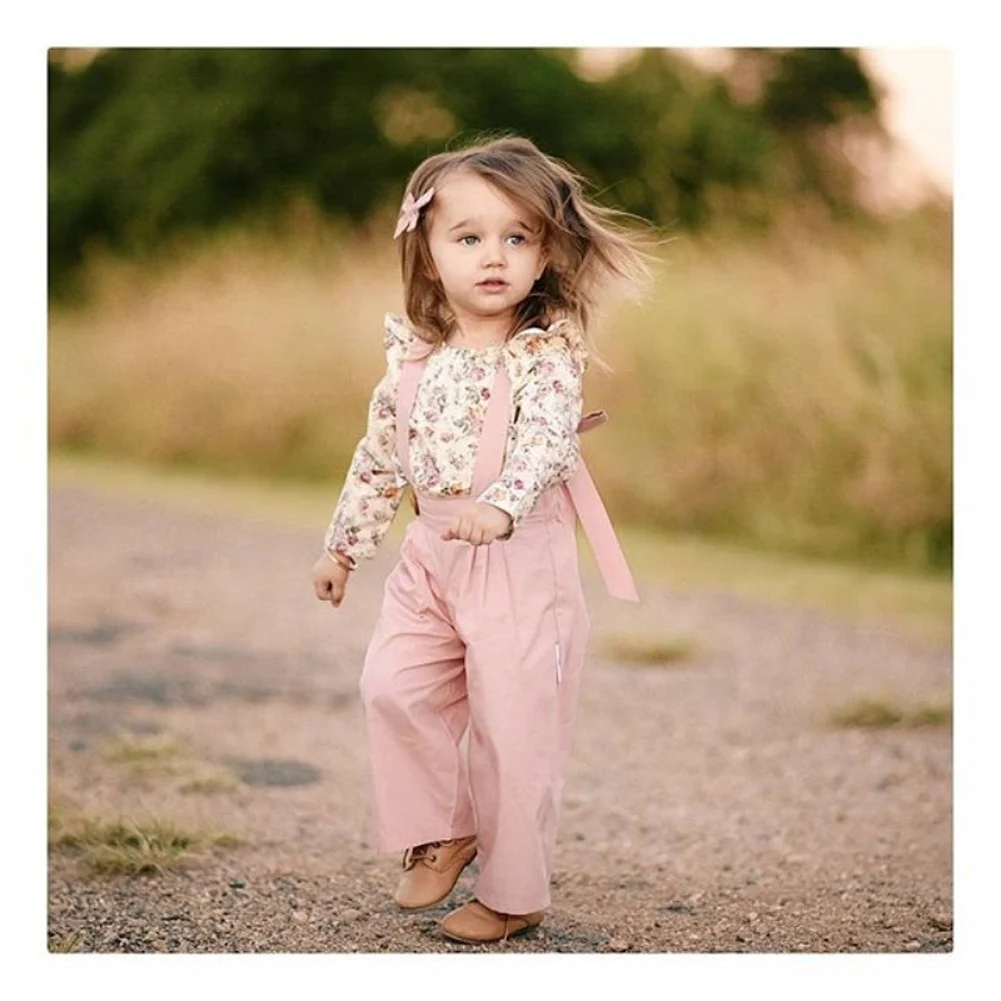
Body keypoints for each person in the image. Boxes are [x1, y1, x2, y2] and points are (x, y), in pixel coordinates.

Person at [312, 134, 657, 945]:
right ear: (429, 255)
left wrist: (502, 505)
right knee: (392, 686)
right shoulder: (412, 360)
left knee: (513, 728)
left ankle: (513, 893)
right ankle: (446, 826)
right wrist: (343, 547)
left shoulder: (543, 354)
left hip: (517, 556)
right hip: (430, 556)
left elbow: (545, 441)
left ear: (545, 254)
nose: (493, 256)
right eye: (468, 237)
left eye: (516, 237)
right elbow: (378, 458)